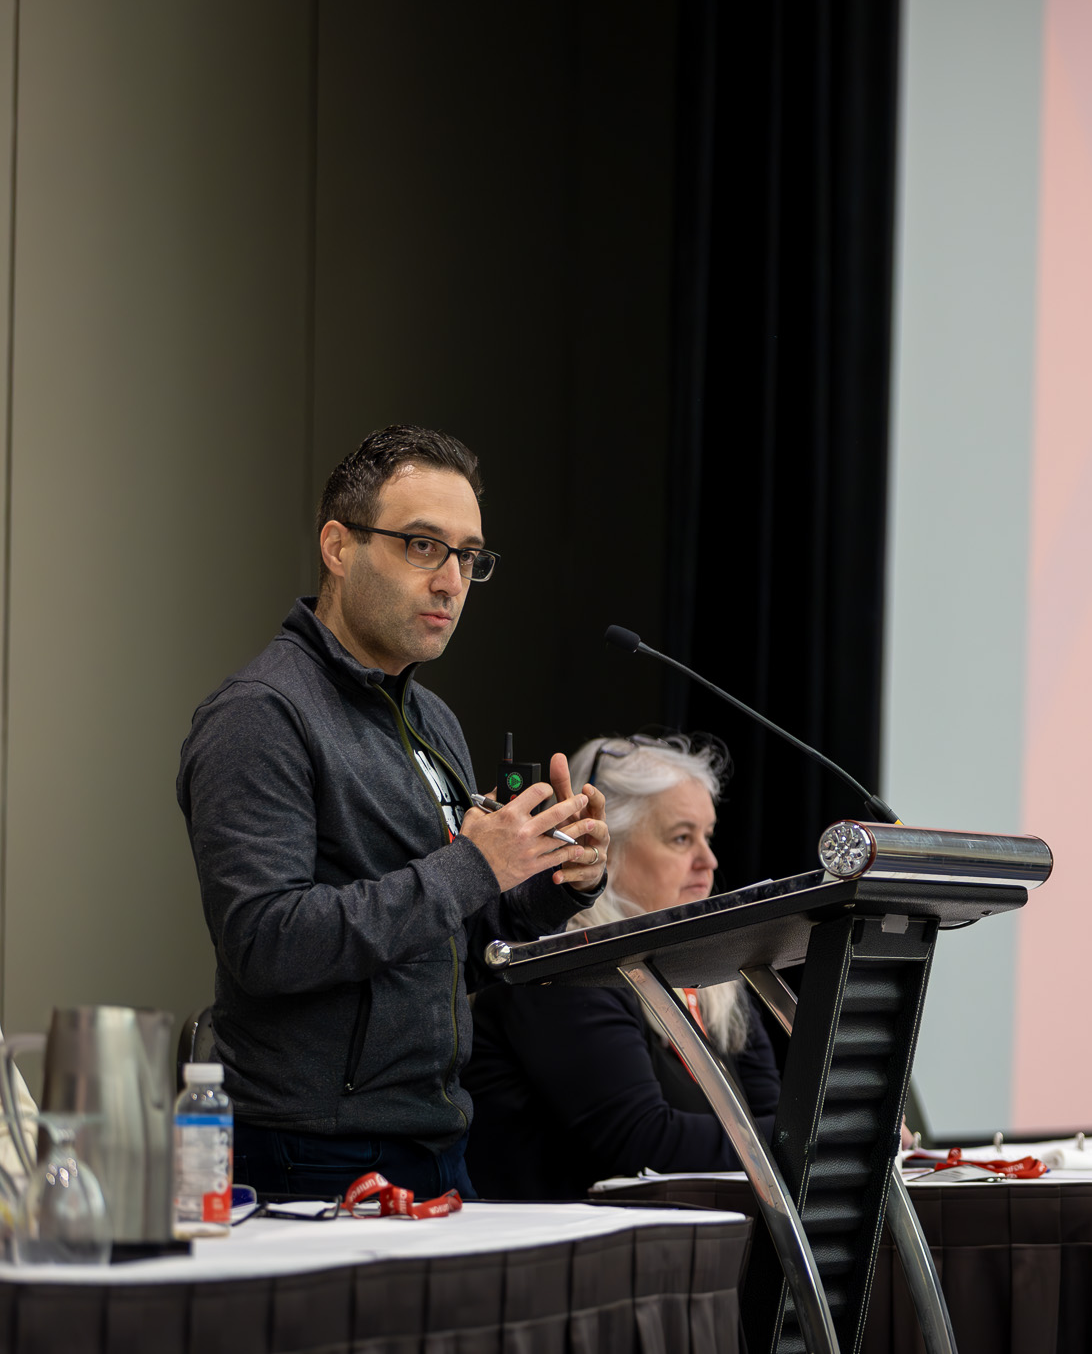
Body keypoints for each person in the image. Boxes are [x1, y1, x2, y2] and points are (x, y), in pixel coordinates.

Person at [176, 426, 612, 1200]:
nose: (452, 581)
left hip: (437, 1136)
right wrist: (473, 863)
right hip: (308, 1151)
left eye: (469, 557)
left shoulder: (433, 719)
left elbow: (450, 934)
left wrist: (553, 880)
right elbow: (265, 941)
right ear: (339, 548)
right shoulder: (261, 716)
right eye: (421, 546)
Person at [463, 733, 779, 1199]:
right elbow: (644, 1143)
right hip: (568, 1257)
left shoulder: (716, 978)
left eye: (706, 837)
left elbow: (770, 1107)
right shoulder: (563, 968)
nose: (708, 861)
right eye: (681, 838)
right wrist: (821, 1137)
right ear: (607, 842)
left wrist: (827, 1131)